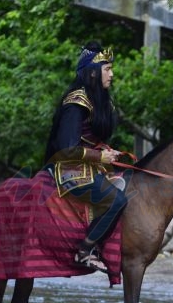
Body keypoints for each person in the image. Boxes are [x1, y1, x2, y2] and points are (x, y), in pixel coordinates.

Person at [44, 41, 127, 274]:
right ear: (92, 72)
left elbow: (90, 139)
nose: (112, 74)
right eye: (107, 69)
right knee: (117, 201)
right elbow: (65, 148)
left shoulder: (100, 101)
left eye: (111, 68)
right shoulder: (76, 102)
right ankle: (85, 250)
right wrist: (100, 157)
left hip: (90, 167)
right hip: (68, 169)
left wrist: (108, 152)